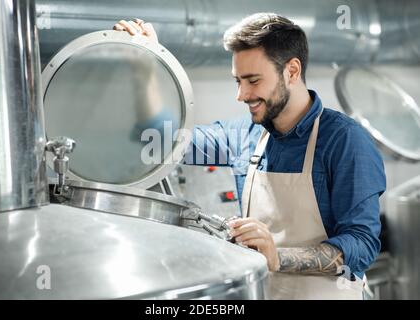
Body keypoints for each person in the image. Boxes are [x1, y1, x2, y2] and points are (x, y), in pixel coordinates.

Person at [113, 13, 386, 300]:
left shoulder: (344, 141)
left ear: (292, 71)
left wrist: (277, 256)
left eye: (253, 80)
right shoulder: (244, 134)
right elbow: (163, 142)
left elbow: (362, 244)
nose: (241, 95)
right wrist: (146, 68)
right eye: (238, 81)